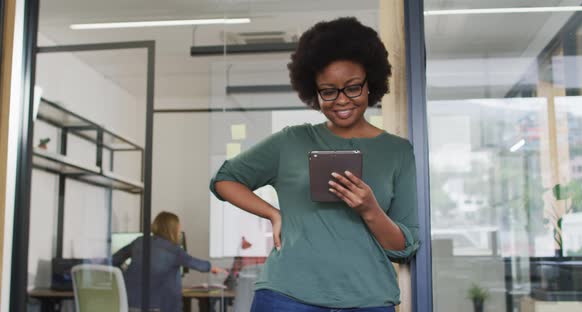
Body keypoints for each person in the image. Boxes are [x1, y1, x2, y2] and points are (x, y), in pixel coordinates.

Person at [210, 17, 420, 311]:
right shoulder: (291, 141)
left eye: (353, 87)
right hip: (285, 297)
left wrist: (370, 209)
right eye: (328, 91)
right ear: (314, 91)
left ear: (370, 84)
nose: (341, 100)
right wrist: (273, 213)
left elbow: (405, 247)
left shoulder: (397, 152)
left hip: (368, 300)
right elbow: (224, 179)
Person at [113, 211, 226, 312]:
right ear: (173, 229)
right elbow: (197, 264)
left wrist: (126, 273)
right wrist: (212, 267)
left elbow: (114, 260)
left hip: (131, 303)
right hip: (160, 305)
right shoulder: (173, 250)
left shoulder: (139, 242)